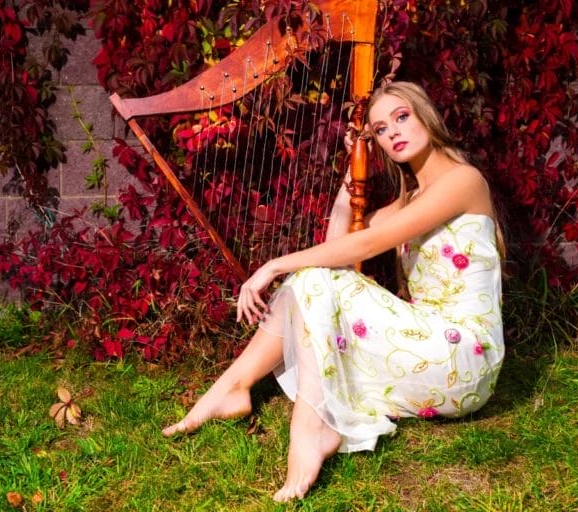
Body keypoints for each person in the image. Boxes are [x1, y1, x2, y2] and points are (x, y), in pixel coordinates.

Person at [162, 81, 505, 502]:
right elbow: (337, 252)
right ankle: (233, 387)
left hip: (467, 357)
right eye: (380, 129)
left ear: (426, 115)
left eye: (402, 117)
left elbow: (360, 248)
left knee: (307, 277)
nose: (393, 132)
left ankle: (311, 424)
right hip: (436, 349)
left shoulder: (463, 181)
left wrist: (272, 265)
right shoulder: (411, 200)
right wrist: (350, 172)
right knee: (310, 281)